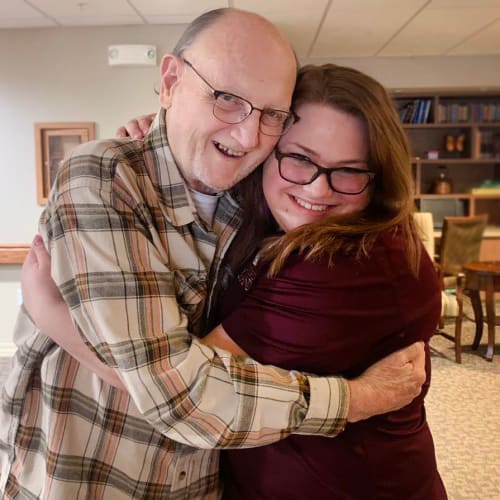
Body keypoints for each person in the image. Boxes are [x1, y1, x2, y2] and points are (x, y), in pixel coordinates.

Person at [2, 8, 426, 500]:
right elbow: (176, 396)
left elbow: (180, 389)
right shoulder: (104, 179)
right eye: (226, 99)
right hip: (92, 477)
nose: (248, 136)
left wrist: (55, 317)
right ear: (170, 81)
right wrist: (355, 399)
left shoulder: (266, 198)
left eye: (272, 115)